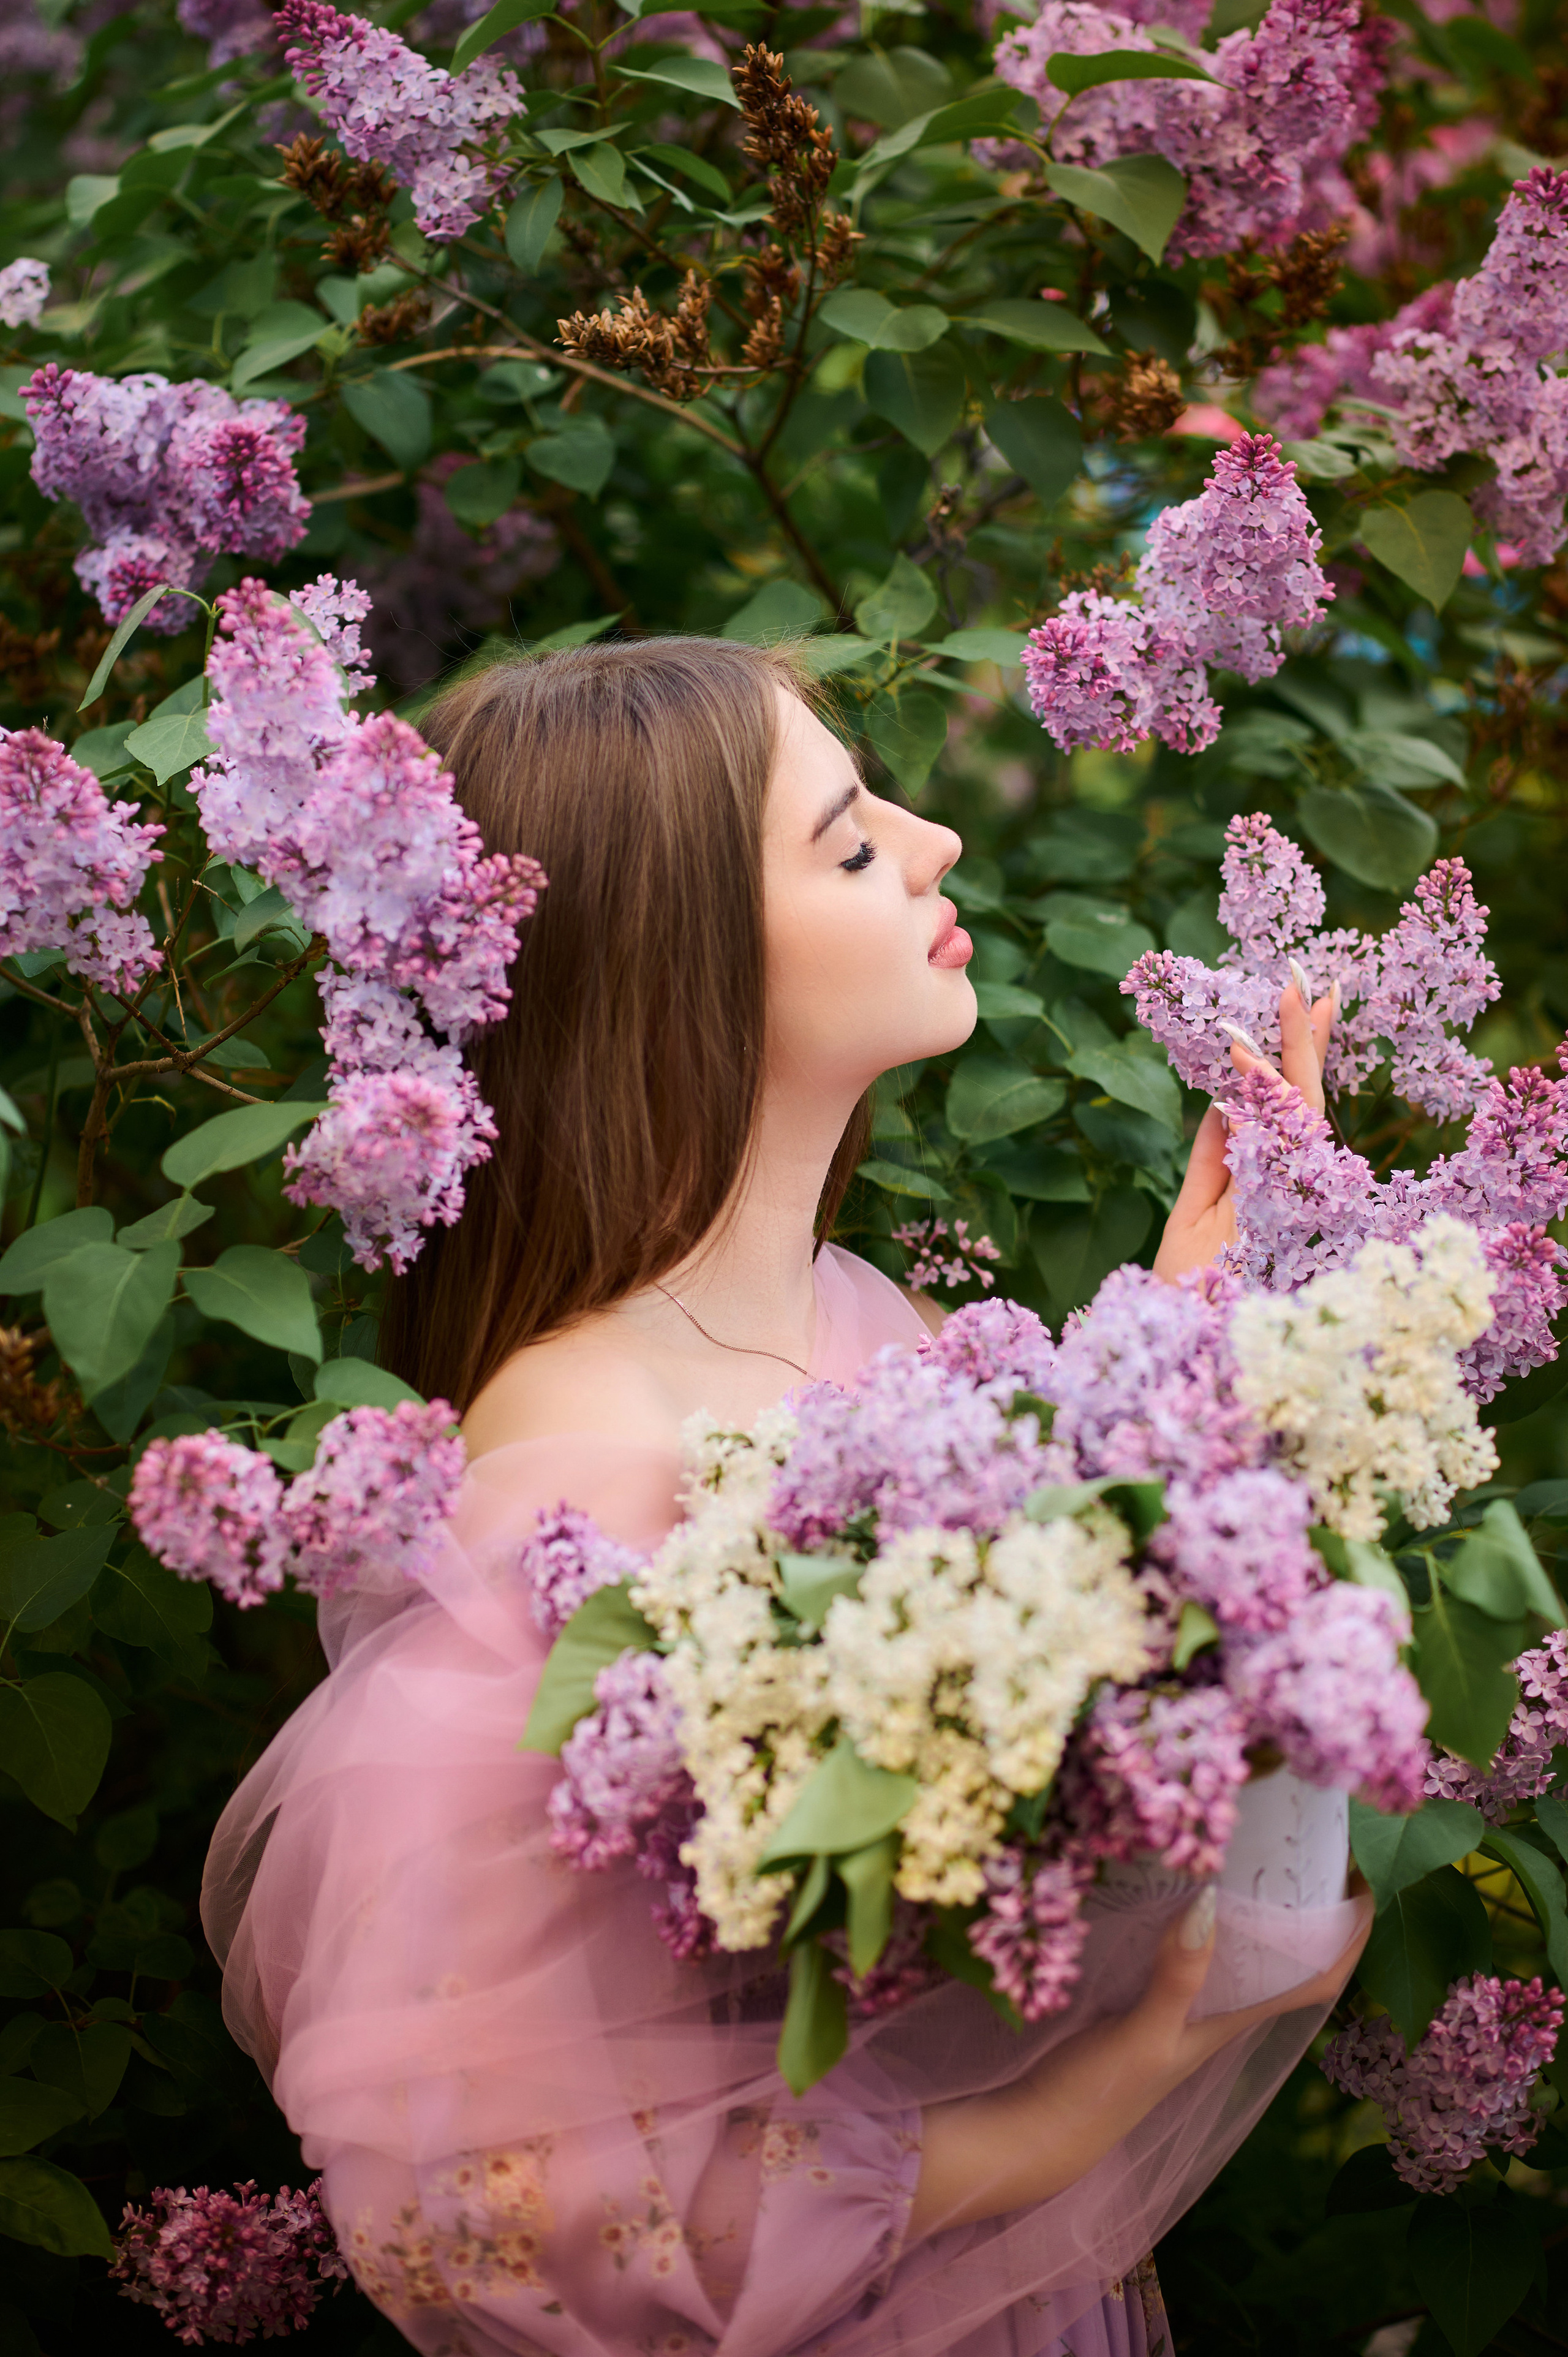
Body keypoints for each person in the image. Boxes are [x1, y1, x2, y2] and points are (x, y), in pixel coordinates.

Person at [203, 638, 1371, 2357]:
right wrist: (1092, 2101)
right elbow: (481, 2201)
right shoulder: (583, 1467)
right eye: (845, 843)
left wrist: (1191, 1342)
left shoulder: (854, 1317)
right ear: (670, 967)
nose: (934, 844)